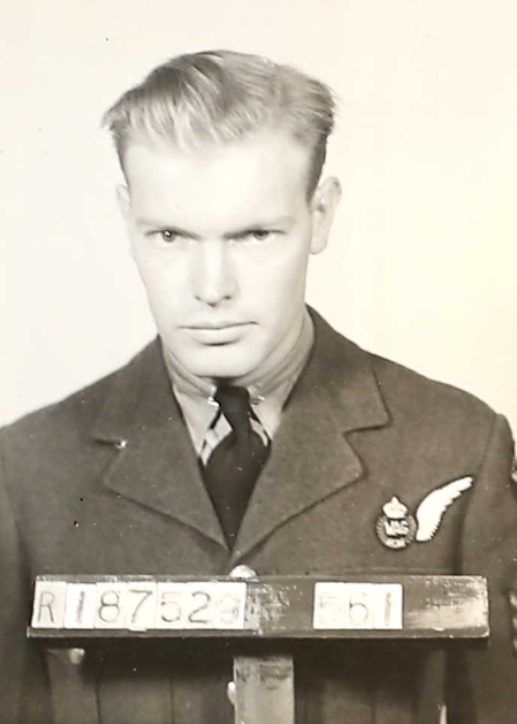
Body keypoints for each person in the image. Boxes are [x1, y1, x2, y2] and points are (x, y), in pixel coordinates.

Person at [0, 49, 516, 724]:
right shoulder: (27, 471)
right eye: (170, 235)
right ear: (127, 219)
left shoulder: (454, 446)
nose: (211, 287)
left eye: (254, 235)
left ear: (321, 213)